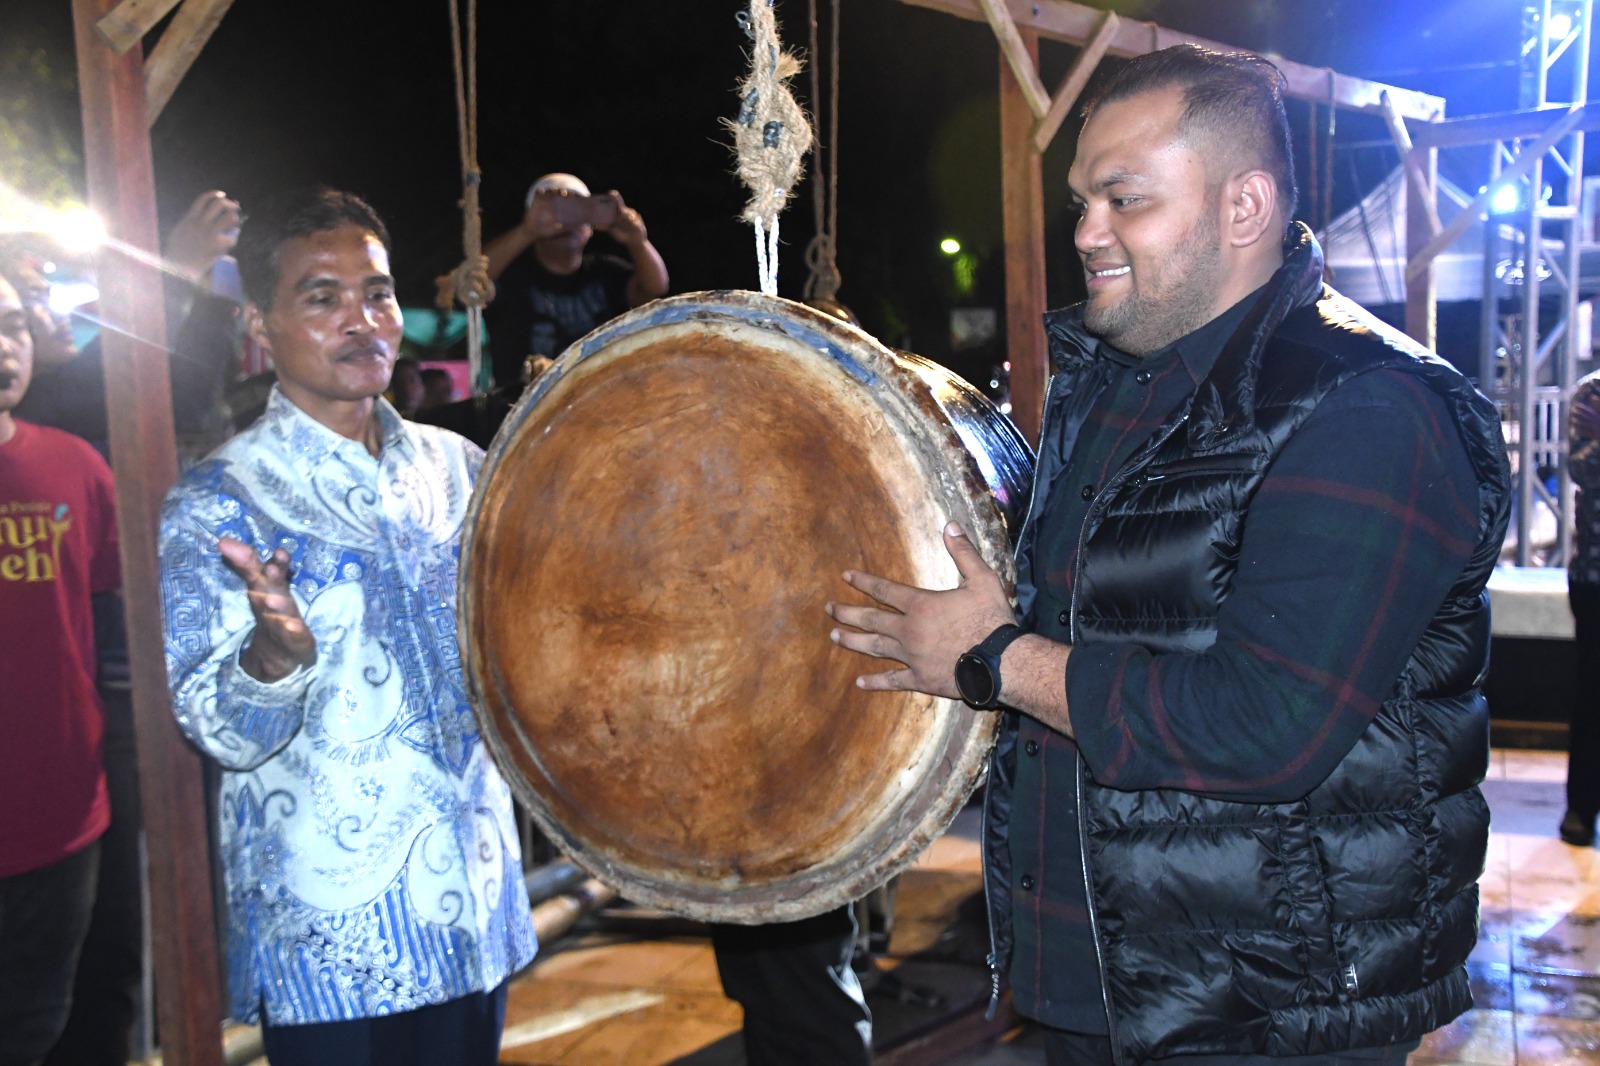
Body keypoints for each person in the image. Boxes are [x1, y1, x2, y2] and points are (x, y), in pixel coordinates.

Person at [827, 45, 1510, 1063]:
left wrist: (993, 657)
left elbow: (1267, 724)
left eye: (1123, 200)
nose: (1086, 232)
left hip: (1266, 1007)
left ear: (1244, 206)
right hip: (1101, 982)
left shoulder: (1367, 407)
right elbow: (1073, 639)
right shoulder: (1114, 388)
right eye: (1079, 203)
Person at [158, 188, 537, 1065]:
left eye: (377, 292)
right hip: (330, 946)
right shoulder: (220, 500)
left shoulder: (461, 470)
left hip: (474, 904)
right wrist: (272, 656)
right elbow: (214, 728)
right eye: (321, 297)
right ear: (260, 323)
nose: (362, 320)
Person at [0, 272, 122, 1066]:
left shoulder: (77, 467)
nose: (3, 347)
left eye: (11, 326)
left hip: (61, 817)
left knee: (36, 1028)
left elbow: (111, 618)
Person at [481, 172, 668, 390]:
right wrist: (527, 231)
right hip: (522, 406)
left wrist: (638, 241)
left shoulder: (605, 272)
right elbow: (471, 280)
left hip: (595, 400)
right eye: (556, 211)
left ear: (590, 226)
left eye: (577, 211)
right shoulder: (512, 273)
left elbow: (654, 288)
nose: (566, 224)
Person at [1562, 370, 1600, 847]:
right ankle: (1581, 808)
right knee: (1591, 696)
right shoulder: (1591, 392)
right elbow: (1583, 470)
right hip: (1595, 576)